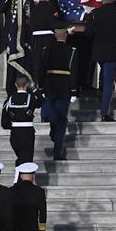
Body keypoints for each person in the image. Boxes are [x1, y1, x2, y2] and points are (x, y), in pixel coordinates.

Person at [84, 0, 116, 121]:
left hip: (99, 50)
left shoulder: (95, 13)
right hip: (113, 50)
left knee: (103, 78)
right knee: (109, 83)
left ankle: (101, 98)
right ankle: (104, 113)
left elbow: (88, 33)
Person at [39, 22, 78, 160]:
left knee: (55, 115)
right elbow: (74, 72)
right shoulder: (71, 51)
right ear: (65, 35)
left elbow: (41, 70)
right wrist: (74, 91)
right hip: (64, 87)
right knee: (61, 119)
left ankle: (53, 130)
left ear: (55, 35)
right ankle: (57, 150)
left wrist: (41, 87)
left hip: (49, 85)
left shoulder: (46, 50)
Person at [1, 75, 42, 166]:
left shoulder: (9, 100)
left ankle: (19, 178)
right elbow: (42, 102)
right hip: (27, 133)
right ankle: (21, 180)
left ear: (16, 85)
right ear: (27, 85)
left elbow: (4, 123)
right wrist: (35, 90)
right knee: (26, 162)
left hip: (15, 133)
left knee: (21, 160)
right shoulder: (31, 98)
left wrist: (13, 125)